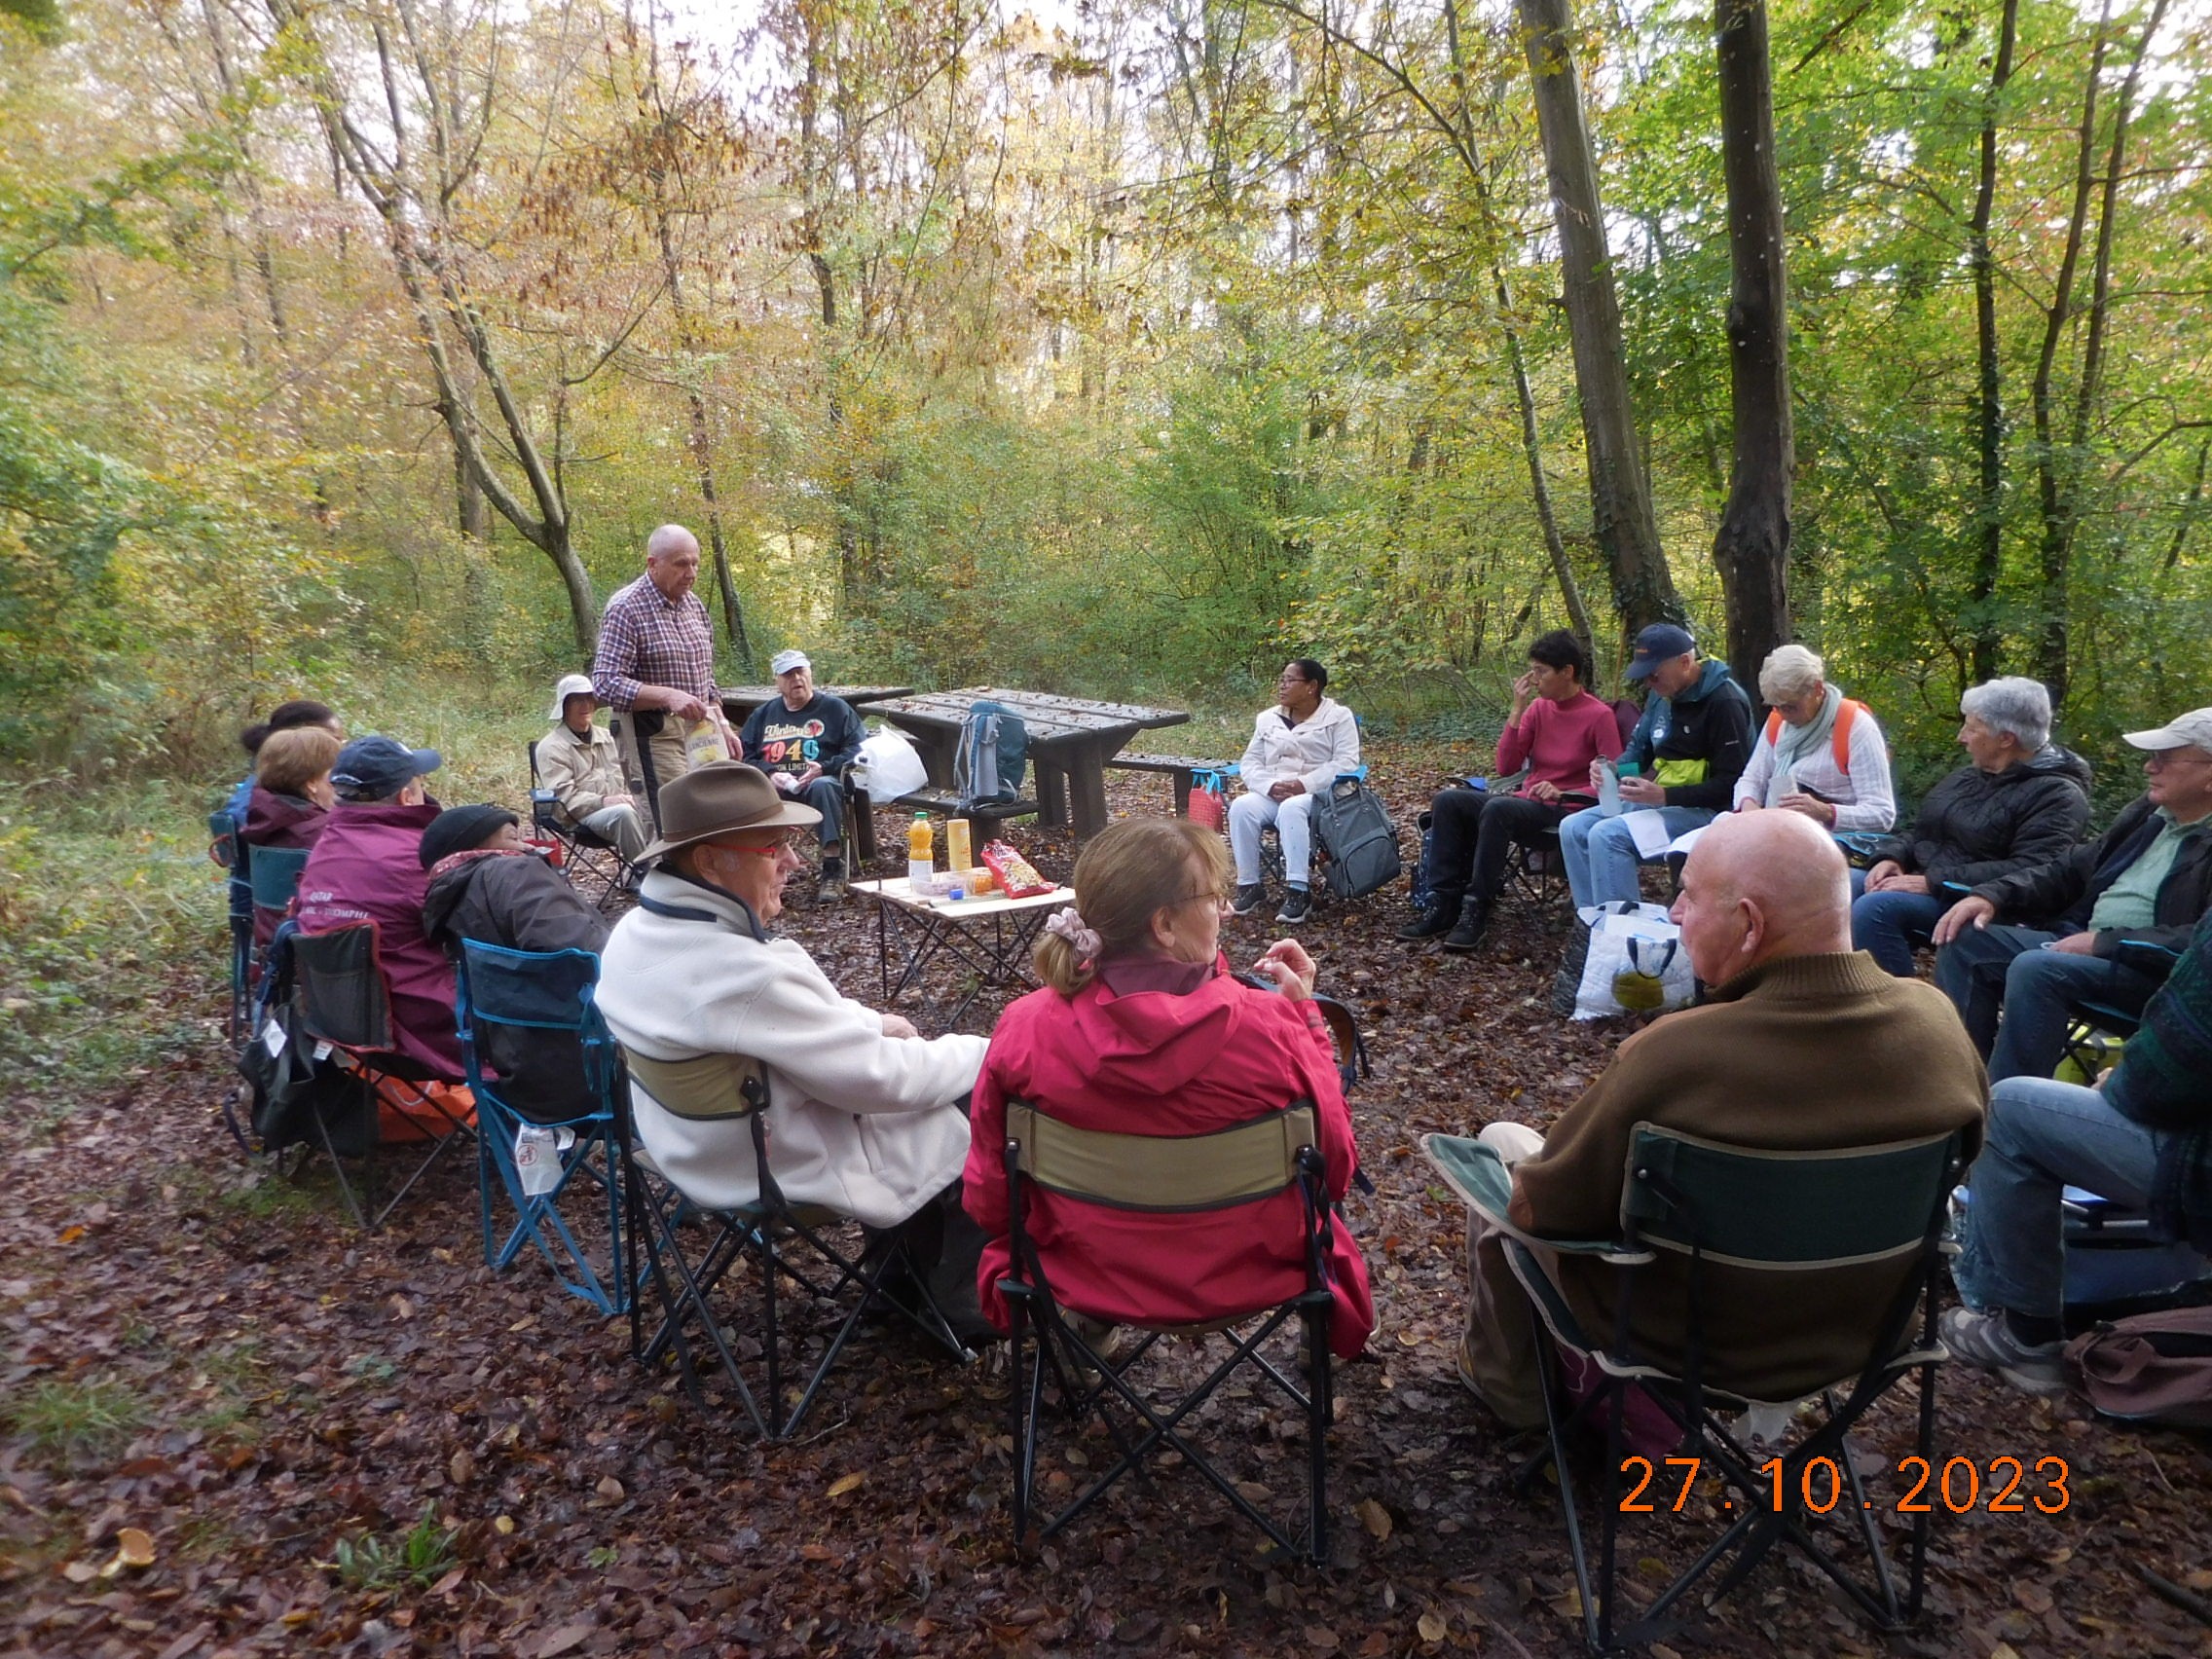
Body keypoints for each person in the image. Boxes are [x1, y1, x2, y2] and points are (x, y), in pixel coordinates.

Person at [1456, 811, 1986, 1428]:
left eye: (1688, 895)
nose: (1675, 913)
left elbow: (1546, 1211)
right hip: (1865, 1335)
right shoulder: (1939, 1027)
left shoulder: (1677, 1053)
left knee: (1504, 1144)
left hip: (1682, 1343)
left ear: (1749, 924)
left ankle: (1512, 1393)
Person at [595, 762, 992, 1340]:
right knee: (986, 1099)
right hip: (772, 1168)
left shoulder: (635, 933)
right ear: (709, 861)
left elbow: (786, 1028)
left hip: (688, 1149)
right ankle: (960, 1305)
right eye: (773, 846)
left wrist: (867, 1022)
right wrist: (984, 1048)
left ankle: (897, 1285)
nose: (795, 862)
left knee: (936, 1081)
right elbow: (883, 1084)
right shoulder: (741, 973)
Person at [964, 817, 1375, 1356]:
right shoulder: (1273, 1028)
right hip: (1251, 1270)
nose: (1224, 910)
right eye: (1213, 897)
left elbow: (991, 1200)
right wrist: (1306, 1016)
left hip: (1085, 1272)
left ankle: (1085, 1335)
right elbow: (1337, 1168)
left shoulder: (1025, 1027)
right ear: (1164, 926)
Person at [1944, 907, 2212, 1394]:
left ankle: (2021, 1332)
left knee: (2009, 1109)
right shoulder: (2136, 829)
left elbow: (2176, 1063)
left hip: (2201, 1162)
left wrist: (2129, 1082)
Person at [1933, 707, 2212, 1084]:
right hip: (2086, 946)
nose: (2149, 767)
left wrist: (2105, 942)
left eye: (2165, 758)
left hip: (2159, 976)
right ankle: (1960, 1083)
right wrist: (1993, 895)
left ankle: (2004, 1114)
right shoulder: (2151, 815)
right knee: (1964, 938)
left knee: (2039, 969)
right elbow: (2070, 868)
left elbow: (2198, 942)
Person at [1851, 678, 2093, 977]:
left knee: (1875, 909)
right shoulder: (1970, 776)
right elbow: (1921, 832)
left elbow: (2036, 869)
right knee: (1841, 882)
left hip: (1987, 905)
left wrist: (1932, 882)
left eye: (1971, 728)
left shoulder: (2058, 796)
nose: (1960, 737)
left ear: (2005, 738)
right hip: (1931, 886)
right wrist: (1891, 857)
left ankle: (1895, 1013)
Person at [1401, 631, 1623, 952]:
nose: (1534, 679)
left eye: (1541, 671)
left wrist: (1563, 790)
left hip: (1568, 809)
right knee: (1449, 800)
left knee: (1499, 809)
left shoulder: (1599, 715)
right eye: (1532, 670)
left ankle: (1477, 907)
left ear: (1567, 672)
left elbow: (1611, 779)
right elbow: (1506, 767)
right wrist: (1517, 709)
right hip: (1526, 803)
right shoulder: (1538, 710)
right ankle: (1443, 903)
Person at [420, 804, 612, 1122]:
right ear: (474, 844)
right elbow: (581, 953)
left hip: (514, 1072)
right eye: (507, 828)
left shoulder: (452, 897)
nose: (515, 826)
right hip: (592, 1068)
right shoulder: (513, 873)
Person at [294, 735, 461, 1080]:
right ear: (407, 796)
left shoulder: (322, 850)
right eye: (419, 785)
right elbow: (482, 926)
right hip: (428, 1035)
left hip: (341, 1030)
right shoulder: (414, 858)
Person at [1557, 624, 1753, 908]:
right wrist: (1613, 770)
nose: (1649, 682)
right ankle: (1591, 925)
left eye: (1654, 674)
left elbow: (1732, 785)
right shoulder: (1661, 697)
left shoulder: (1725, 702)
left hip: (1708, 814)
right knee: (1573, 827)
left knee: (1608, 835)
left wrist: (1664, 796)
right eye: (1644, 676)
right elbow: (1640, 753)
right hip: (1662, 805)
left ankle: (1621, 937)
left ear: (1685, 663)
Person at [589, 524, 731, 810]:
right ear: (653, 564)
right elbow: (604, 683)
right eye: (681, 564)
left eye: (695, 564)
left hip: (701, 731)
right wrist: (668, 695)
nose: (690, 573)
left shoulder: (694, 606)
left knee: (715, 811)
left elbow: (707, 675)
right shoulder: (626, 607)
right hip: (654, 733)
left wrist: (722, 722)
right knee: (674, 818)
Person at [1227, 658, 1361, 926]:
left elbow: (1346, 762)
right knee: (1242, 806)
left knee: (1293, 808)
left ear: (1311, 686)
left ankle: (1298, 890)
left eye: (1289, 680)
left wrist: (1305, 784)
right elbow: (1250, 761)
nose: (1282, 685)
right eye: (1281, 679)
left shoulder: (1338, 717)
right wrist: (1268, 786)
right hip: (1274, 791)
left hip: (1321, 796)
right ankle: (1249, 885)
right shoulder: (1267, 719)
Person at [739, 648, 865, 901]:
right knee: (745, 792)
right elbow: (744, 754)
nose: (797, 679)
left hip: (821, 785)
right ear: (778, 682)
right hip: (775, 789)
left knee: (823, 786)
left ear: (810, 673)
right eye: (789, 674)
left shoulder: (835, 709)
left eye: (801, 671)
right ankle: (756, 870)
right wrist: (770, 772)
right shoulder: (763, 714)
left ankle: (832, 870)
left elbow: (860, 749)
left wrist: (825, 767)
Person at [1730, 644, 1895, 833]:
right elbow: (1750, 780)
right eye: (1776, 706)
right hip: (1778, 833)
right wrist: (1749, 807)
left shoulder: (1856, 727)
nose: (1784, 715)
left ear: (1817, 689)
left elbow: (1882, 814)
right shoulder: (1778, 722)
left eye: (1791, 707)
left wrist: (1825, 812)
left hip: (1831, 844)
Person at [240, 727, 339, 954]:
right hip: (315, 959)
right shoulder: (325, 834)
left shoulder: (261, 820)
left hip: (270, 955)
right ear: (312, 783)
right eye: (334, 776)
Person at [535, 673, 648, 865]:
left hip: (622, 805)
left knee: (659, 804)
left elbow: (633, 774)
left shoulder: (607, 736)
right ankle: (648, 875)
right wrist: (605, 801)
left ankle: (672, 872)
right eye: (578, 700)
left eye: (590, 699)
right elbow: (564, 799)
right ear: (564, 706)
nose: (586, 705)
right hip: (580, 817)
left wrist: (638, 797)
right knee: (624, 814)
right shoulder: (551, 747)